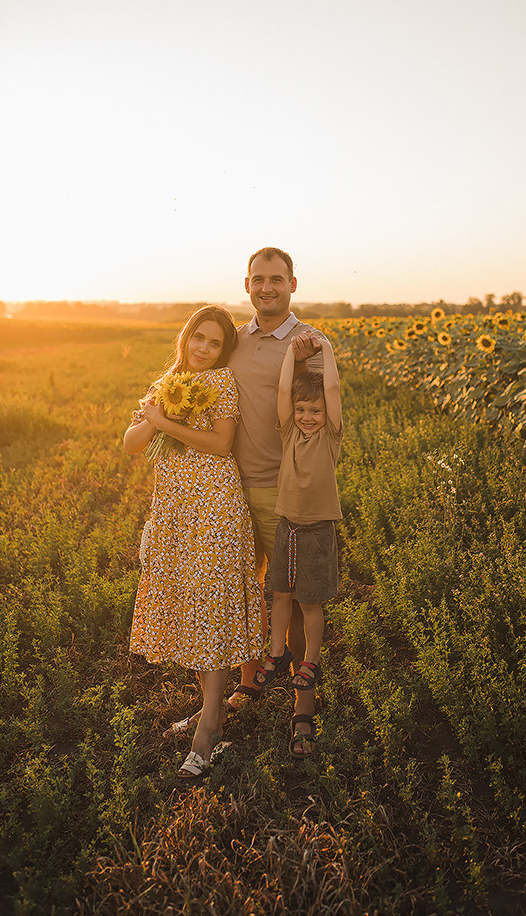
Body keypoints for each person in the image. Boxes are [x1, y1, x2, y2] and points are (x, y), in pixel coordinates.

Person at [123, 305, 263, 780]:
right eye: (198, 338)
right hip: (175, 510)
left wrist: (163, 422)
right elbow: (131, 443)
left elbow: (221, 443)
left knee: (211, 609)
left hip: (214, 507)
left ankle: (208, 732)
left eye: (214, 343)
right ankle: (212, 712)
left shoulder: (221, 383)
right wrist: (155, 415)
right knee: (189, 608)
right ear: (185, 338)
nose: (204, 348)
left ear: (223, 351)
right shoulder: (167, 382)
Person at [227, 248, 329, 756]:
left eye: (277, 279)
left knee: (295, 596)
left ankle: (301, 710)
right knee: (243, 591)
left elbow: (323, 414)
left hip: (283, 489)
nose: (267, 287)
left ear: (292, 284)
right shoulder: (233, 340)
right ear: (246, 284)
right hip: (227, 487)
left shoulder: (310, 342)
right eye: (258, 279)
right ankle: (249, 684)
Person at [253, 339, 343, 756]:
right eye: (302, 410)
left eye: (315, 411)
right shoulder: (288, 431)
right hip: (287, 526)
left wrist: (325, 348)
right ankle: (277, 652)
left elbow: (333, 389)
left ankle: (310, 662)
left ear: (327, 415)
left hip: (317, 531)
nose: (307, 417)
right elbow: (284, 390)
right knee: (278, 594)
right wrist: (291, 353)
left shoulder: (331, 437)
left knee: (309, 602)